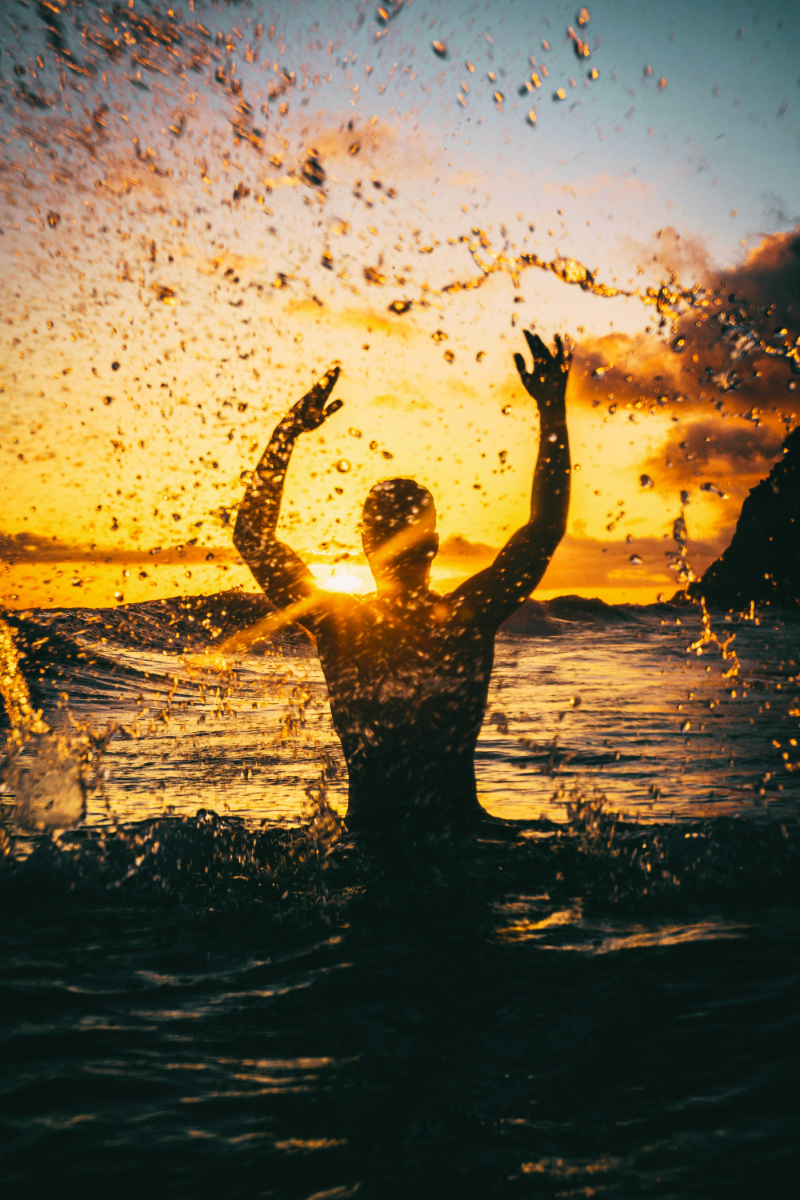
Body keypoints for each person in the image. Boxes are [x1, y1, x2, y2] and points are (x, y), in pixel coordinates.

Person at [233, 331, 571, 830]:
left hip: (370, 842)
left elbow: (252, 537)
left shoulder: (338, 625)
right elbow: (545, 528)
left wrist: (288, 433)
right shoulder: (465, 616)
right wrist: (552, 413)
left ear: (366, 545)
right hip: (462, 838)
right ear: (434, 545)